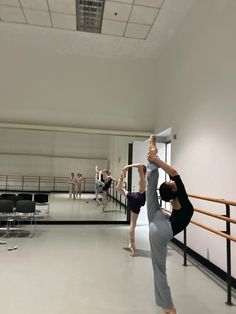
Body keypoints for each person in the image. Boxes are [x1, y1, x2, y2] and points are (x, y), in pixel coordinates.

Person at [146, 135, 194, 314]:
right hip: (163, 229)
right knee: (159, 270)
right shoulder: (179, 195)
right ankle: (168, 307)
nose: (171, 179)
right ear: (174, 190)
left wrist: (155, 159)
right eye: (170, 182)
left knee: (151, 187)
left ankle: (151, 163)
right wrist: (156, 159)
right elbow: (173, 171)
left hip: (159, 222)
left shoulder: (175, 196)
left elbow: (172, 174)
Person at [116, 163, 147, 256]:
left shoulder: (143, 179)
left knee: (132, 225)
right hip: (138, 198)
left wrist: (128, 166)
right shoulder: (144, 179)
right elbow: (141, 167)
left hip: (137, 198)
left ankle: (132, 246)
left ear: (142, 171)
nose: (138, 170)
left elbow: (141, 165)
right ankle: (132, 244)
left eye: (139, 170)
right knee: (119, 189)